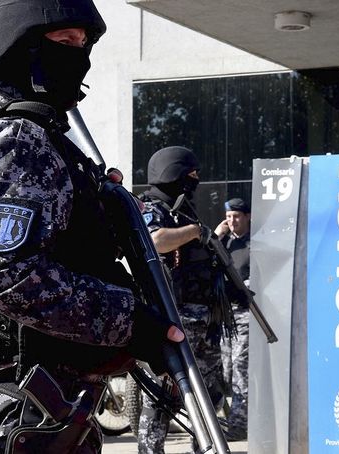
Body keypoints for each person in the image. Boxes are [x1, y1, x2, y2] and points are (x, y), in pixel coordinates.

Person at [0, 1, 183, 453]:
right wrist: (130, 320)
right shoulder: (17, 139)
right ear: (16, 43)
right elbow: (1, 274)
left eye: (84, 43)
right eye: (66, 41)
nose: (80, 53)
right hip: (14, 407)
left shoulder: (39, 137)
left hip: (41, 403)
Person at [138, 146, 228, 453]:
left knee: (210, 388)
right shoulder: (153, 207)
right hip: (173, 317)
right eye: (191, 174)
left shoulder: (184, 208)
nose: (197, 180)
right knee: (164, 394)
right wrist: (192, 232)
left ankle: (203, 446)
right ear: (172, 174)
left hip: (204, 317)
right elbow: (155, 241)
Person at [214, 198, 251, 441]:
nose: (232, 220)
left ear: (247, 216)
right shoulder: (223, 242)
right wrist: (217, 235)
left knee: (240, 366)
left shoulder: (255, 242)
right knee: (225, 370)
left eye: (237, 216)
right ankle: (228, 417)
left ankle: (239, 425)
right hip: (224, 315)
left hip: (246, 314)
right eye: (228, 216)